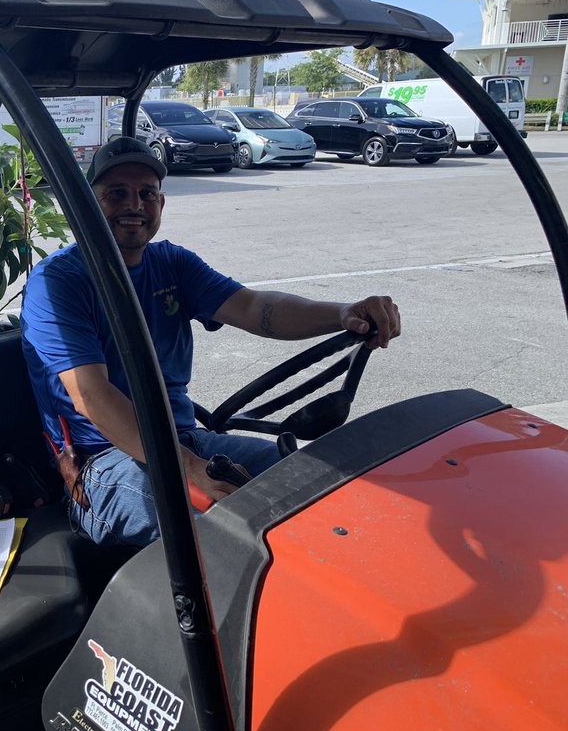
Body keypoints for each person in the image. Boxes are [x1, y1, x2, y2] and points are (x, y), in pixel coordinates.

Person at [20, 137, 401, 547]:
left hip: (187, 440)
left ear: (161, 205)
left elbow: (256, 308)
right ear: (89, 205)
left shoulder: (173, 264)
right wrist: (186, 468)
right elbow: (93, 397)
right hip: (103, 466)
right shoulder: (59, 282)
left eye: (147, 193)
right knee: (231, 535)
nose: (134, 204)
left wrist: (342, 313)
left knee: (322, 483)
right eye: (116, 194)